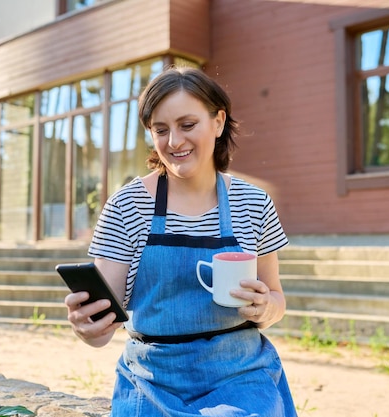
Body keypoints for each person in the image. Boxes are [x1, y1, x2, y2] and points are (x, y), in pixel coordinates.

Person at [64, 66, 297, 416]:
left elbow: (276, 298)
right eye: (161, 130)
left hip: (241, 375)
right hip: (153, 379)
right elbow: (102, 328)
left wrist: (265, 308)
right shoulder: (127, 206)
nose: (174, 142)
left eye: (187, 125)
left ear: (218, 122)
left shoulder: (254, 202)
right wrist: (87, 327)